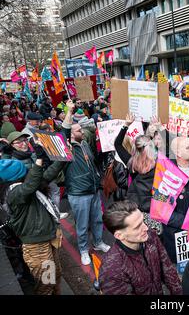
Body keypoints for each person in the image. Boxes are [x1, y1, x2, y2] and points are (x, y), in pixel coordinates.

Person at [1, 153, 65, 294]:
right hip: (37, 247)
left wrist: (62, 158)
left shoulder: (28, 185)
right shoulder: (13, 193)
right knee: (47, 283)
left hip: (48, 240)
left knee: (56, 276)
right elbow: (30, 185)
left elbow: (48, 174)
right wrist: (39, 161)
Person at [62, 100, 110, 265]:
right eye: (78, 129)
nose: (81, 130)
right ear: (70, 134)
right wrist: (69, 111)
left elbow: (92, 162)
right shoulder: (66, 148)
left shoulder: (83, 143)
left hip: (93, 189)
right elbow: (64, 130)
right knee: (82, 226)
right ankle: (83, 250)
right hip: (79, 193)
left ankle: (97, 243)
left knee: (97, 219)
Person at [99, 201, 182, 295]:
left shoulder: (150, 236)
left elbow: (168, 269)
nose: (146, 228)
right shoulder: (112, 271)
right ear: (119, 236)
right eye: (137, 227)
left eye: (143, 221)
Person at [163, 136, 189, 263]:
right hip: (178, 234)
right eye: (188, 147)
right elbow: (162, 211)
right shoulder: (167, 175)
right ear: (178, 153)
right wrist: (188, 221)